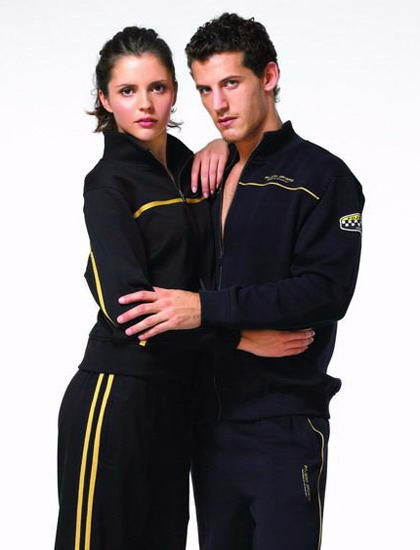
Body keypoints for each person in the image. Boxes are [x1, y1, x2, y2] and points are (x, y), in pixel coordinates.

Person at [54, 25, 314, 550]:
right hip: (118, 393)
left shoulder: (188, 166)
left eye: (158, 87)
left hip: (179, 400)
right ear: (104, 99)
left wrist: (226, 145)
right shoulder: (108, 185)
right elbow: (131, 312)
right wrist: (239, 338)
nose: (145, 104)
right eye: (127, 91)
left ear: (174, 91)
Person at [117, 13, 365, 550]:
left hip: (284, 422)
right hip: (207, 425)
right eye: (205, 89)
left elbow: (325, 292)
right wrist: (225, 329)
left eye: (231, 83)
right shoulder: (205, 175)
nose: (218, 104)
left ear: (268, 76)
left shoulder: (324, 178)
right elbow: (169, 280)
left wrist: (205, 309)